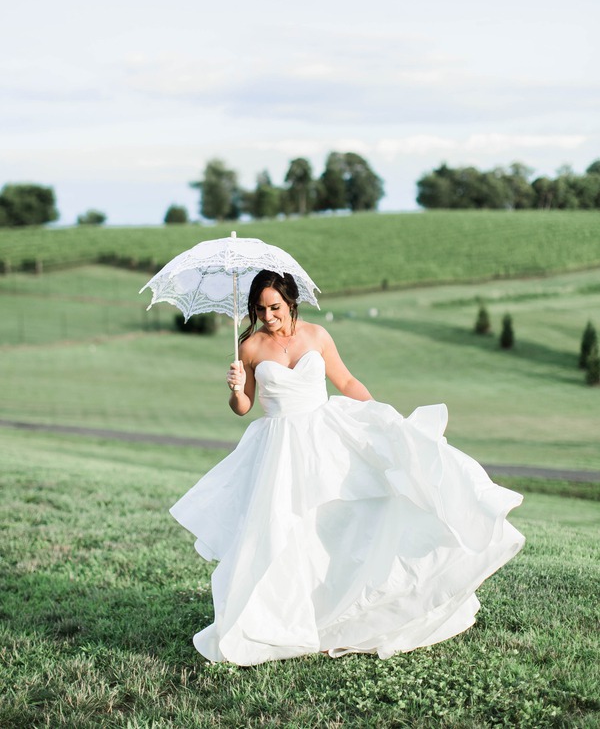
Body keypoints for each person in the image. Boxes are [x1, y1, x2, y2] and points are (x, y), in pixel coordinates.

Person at [170, 270, 525, 666]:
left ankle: (343, 613)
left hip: (325, 436)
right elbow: (244, 408)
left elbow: (346, 380)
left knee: (341, 522)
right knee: (285, 533)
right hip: (279, 450)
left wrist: (383, 417)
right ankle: (289, 620)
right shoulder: (249, 346)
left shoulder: (317, 336)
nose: (268, 316)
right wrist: (236, 388)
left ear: (290, 302)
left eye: (274, 307)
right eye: (259, 308)